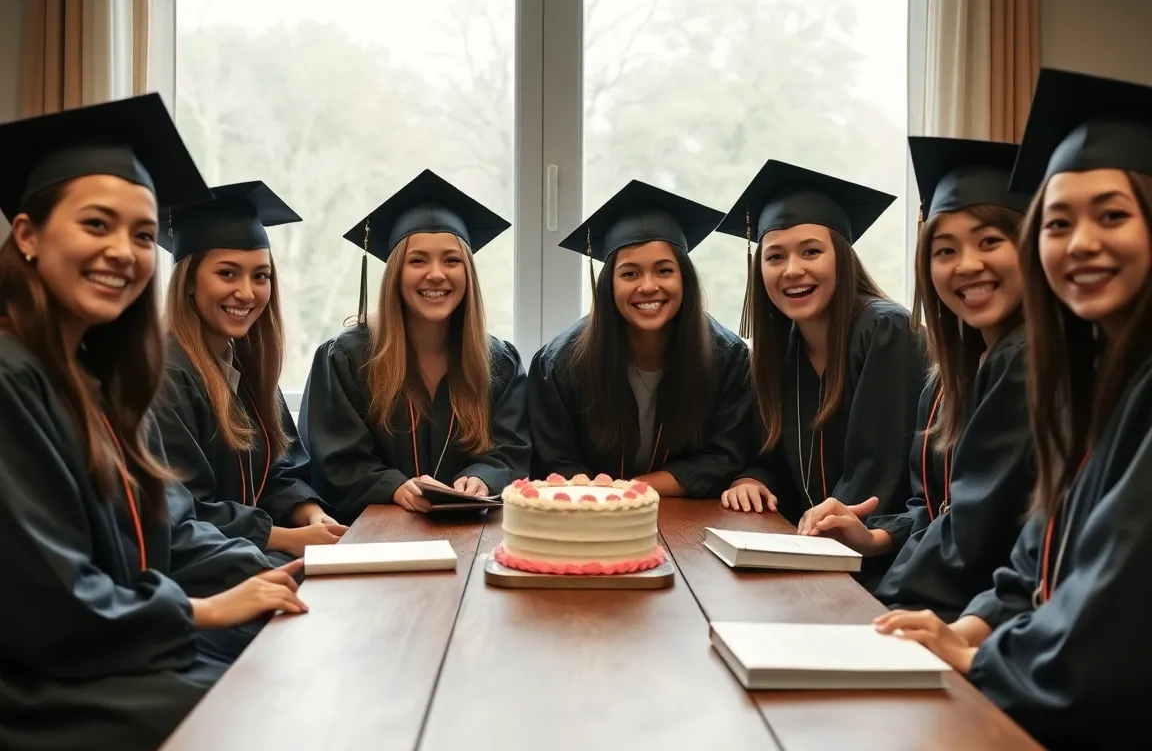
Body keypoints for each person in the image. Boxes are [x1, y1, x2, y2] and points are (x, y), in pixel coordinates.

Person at [0, 95, 307, 751]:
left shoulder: (94, 377)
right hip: (41, 693)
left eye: (142, 235)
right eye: (97, 225)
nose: (123, 252)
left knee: (284, 660)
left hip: (113, 646)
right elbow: (50, 602)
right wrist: (201, 610)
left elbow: (167, 524)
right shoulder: (11, 378)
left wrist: (271, 572)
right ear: (27, 234)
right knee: (270, 717)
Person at [875, 68, 1152, 751]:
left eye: (1113, 216)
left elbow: (1117, 602)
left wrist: (980, 656)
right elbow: (1039, 552)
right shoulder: (1093, 379)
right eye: (1058, 224)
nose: (1080, 243)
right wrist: (974, 626)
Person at [798, 138, 1033, 622]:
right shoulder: (948, 376)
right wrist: (874, 536)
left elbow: (981, 528)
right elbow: (931, 505)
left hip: (981, 609)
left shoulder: (1025, 361)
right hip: (944, 597)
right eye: (945, 250)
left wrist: (882, 604)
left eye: (990, 241)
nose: (967, 265)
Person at [717, 161, 926, 565]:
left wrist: (812, 540)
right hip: (819, 548)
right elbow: (772, 453)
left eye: (811, 251)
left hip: (887, 555)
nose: (793, 270)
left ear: (842, 258)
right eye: (775, 256)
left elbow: (878, 472)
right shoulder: (782, 347)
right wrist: (753, 478)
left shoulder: (885, 330)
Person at [300, 170, 531, 523]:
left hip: (469, 531)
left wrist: (483, 477)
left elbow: (512, 449)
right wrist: (393, 486)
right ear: (395, 273)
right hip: (375, 536)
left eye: (451, 260)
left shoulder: (498, 362)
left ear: (468, 273)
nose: (436, 274)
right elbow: (335, 460)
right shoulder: (347, 358)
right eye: (418, 260)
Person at [155, 181, 347, 563]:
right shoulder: (164, 376)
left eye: (260, 276)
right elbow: (181, 508)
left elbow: (277, 470)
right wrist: (285, 539)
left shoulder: (244, 369)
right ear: (189, 280)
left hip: (249, 553)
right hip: (200, 570)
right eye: (228, 274)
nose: (247, 292)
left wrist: (312, 516)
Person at [527, 180, 750, 495]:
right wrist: (612, 500)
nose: (648, 286)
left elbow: (724, 457)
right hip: (589, 519)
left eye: (664, 271)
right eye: (630, 273)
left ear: (684, 278)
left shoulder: (727, 357)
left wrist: (628, 491)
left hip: (689, 518)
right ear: (609, 284)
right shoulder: (559, 364)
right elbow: (557, 462)